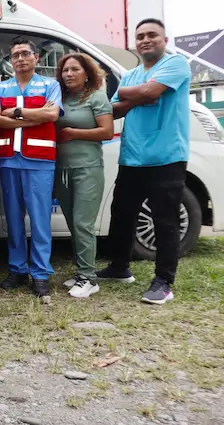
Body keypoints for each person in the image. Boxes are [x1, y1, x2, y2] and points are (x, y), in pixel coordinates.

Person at [99, 18, 191, 305]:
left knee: (165, 221)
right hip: (132, 157)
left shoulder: (175, 64)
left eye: (152, 35)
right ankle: (119, 267)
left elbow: (148, 92)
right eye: (140, 36)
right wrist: (139, 94)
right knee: (122, 214)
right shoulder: (131, 74)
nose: (145, 40)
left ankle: (163, 281)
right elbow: (113, 109)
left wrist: (138, 93)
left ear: (164, 39)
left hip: (166, 157)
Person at [0, 38, 62, 297]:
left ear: (36, 58)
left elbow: (52, 115)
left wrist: (16, 113)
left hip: (39, 159)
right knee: (13, 219)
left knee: (40, 218)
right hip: (9, 158)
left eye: (24, 54)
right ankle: (18, 269)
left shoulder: (50, 85)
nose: (19, 59)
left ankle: (41, 273)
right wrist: (33, 115)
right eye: (15, 55)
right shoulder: (1, 88)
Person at [53, 54, 113, 298]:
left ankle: (89, 278)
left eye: (74, 69)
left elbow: (107, 131)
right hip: (63, 170)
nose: (69, 74)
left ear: (87, 73)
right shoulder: (61, 98)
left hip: (88, 169)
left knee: (83, 223)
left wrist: (73, 133)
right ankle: (81, 273)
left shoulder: (97, 97)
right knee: (72, 224)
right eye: (65, 70)